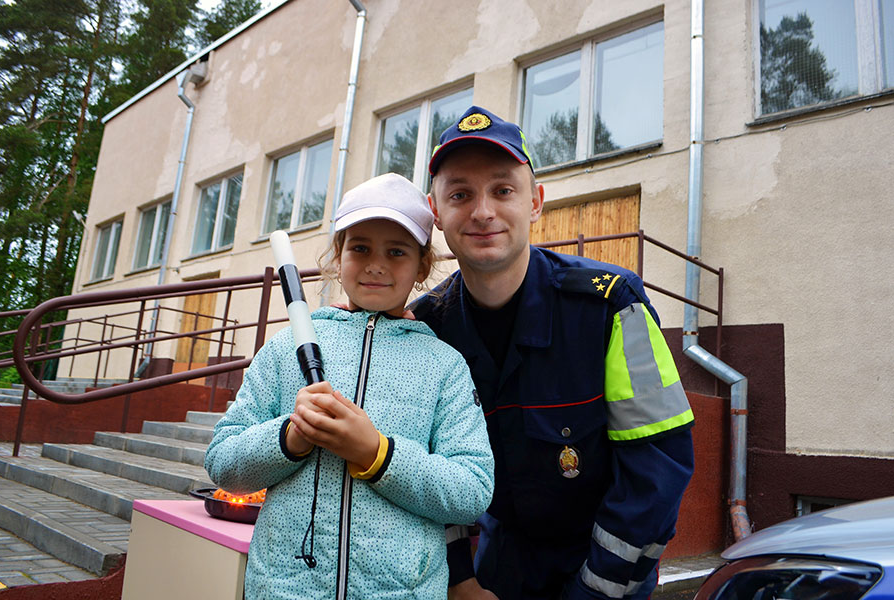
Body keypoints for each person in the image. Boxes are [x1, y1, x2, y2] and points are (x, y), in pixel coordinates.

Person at [411, 106, 695, 600]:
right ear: (435, 211)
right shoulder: (424, 329)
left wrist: (593, 591)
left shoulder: (612, 305)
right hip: (498, 572)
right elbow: (422, 471)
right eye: (460, 194)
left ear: (536, 202)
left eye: (503, 190)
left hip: (608, 572)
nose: (482, 212)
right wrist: (460, 581)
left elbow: (658, 471)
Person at [205, 172, 495, 600]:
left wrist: (377, 454)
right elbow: (223, 462)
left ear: (421, 266)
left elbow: (471, 491)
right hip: (284, 590)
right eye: (360, 247)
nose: (376, 264)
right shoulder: (286, 348)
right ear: (337, 255)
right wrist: (288, 438)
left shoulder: (444, 366)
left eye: (396, 251)